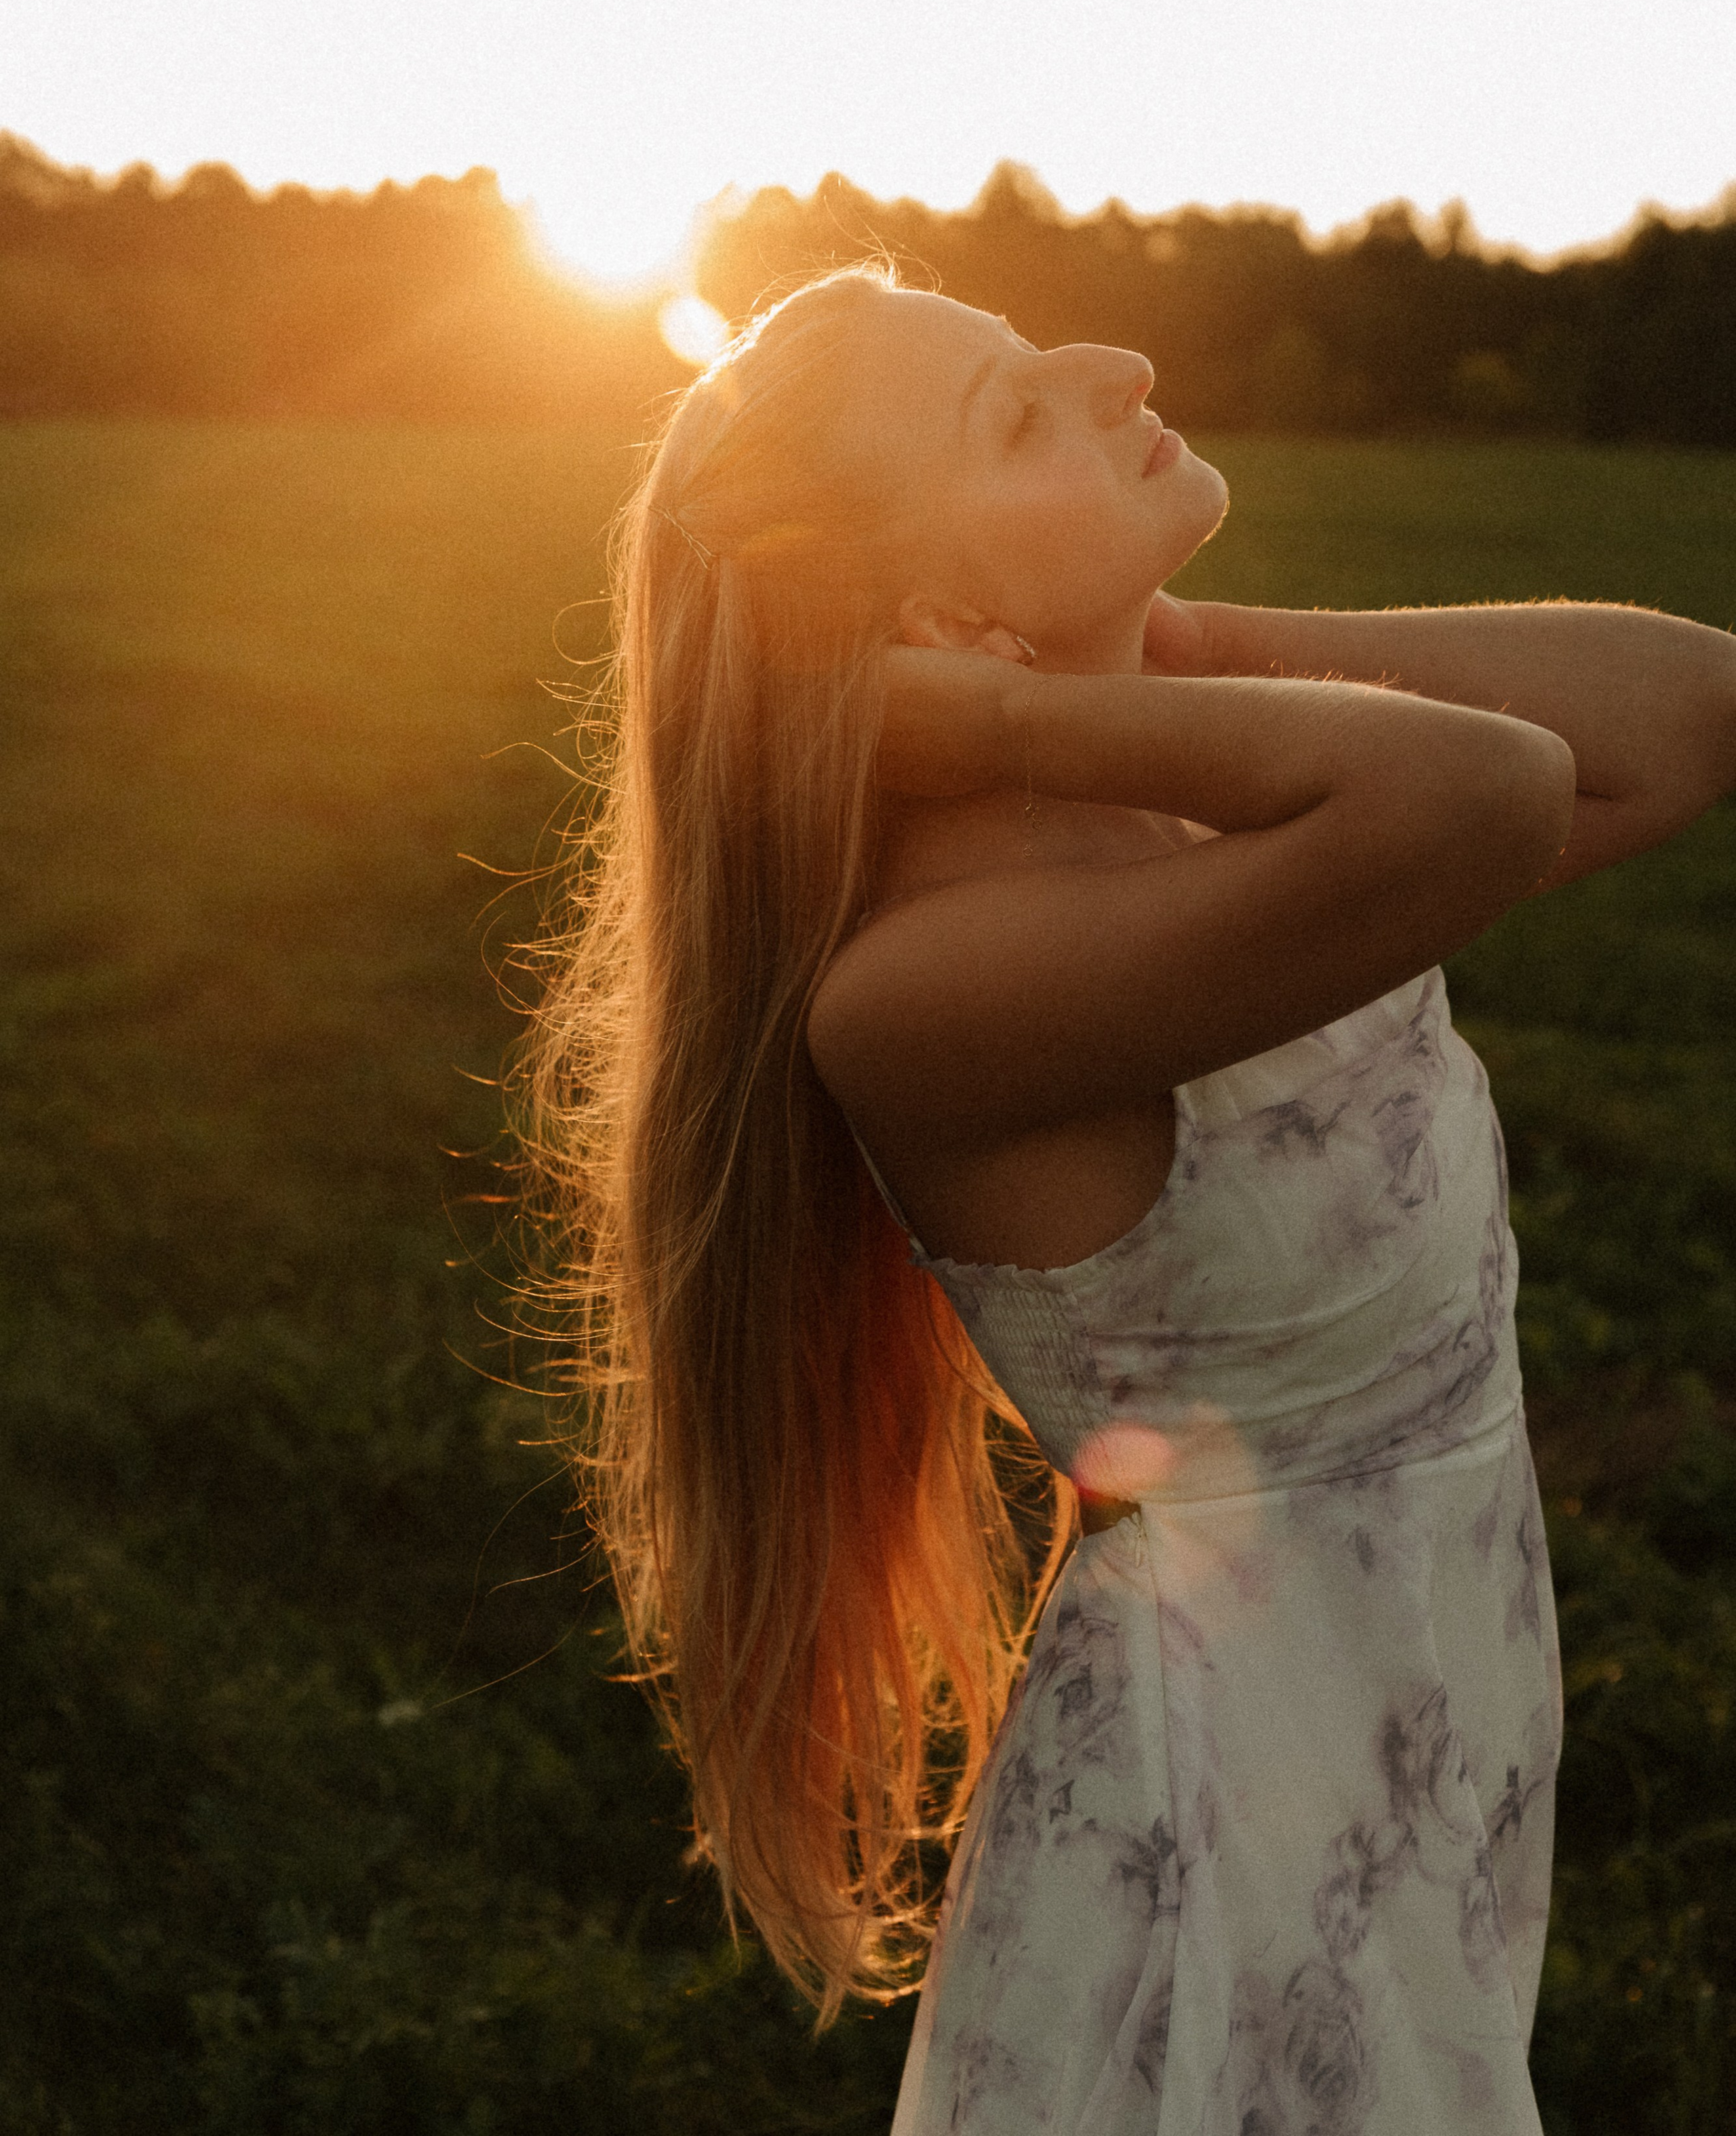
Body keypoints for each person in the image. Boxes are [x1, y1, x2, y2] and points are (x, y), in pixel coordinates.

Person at [519, 264, 1736, 2133]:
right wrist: (1012, 722)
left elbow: (1693, 715)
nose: (1119, 363)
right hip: (1233, 1804)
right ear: (934, 615)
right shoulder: (929, 990)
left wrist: (1152, 652)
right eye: (1017, 412)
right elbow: (1489, 797)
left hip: (1397, 1711)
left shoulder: (1199, 827)